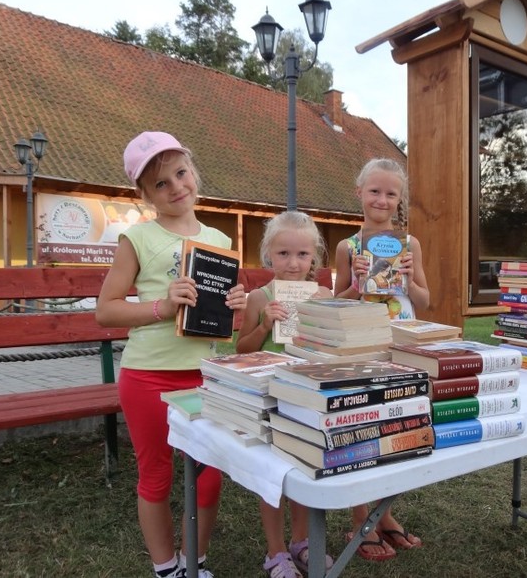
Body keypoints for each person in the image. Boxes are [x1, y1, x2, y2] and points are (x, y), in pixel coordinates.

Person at [96, 131, 246, 578]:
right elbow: (106, 310)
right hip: (148, 378)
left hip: (207, 375)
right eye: (161, 183)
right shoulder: (138, 238)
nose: (176, 187)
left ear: (194, 172)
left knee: (209, 476)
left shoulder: (219, 238)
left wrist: (235, 302)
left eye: (181, 173)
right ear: (144, 194)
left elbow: (219, 312)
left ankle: (194, 563)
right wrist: (164, 306)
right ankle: (166, 569)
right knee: (157, 477)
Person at [334, 158, 430, 561]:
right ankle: (360, 519)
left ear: (400, 199)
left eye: (391, 193)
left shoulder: (411, 245)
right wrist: (357, 283)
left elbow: (425, 301)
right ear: (359, 193)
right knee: (365, 429)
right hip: (362, 345)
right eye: (375, 191)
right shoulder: (347, 247)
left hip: (401, 345)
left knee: (396, 429)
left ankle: (383, 516)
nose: (382, 199)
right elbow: (334, 303)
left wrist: (408, 277)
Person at [236, 211, 334, 578]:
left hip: (308, 394)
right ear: (268, 255)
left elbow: (333, 344)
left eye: (303, 255)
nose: (293, 264)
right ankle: (275, 550)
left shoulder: (323, 294)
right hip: (270, 395)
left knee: (305, 466)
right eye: (284, 254)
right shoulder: (259, 297)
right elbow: (242, 350)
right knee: (272, 472)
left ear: (314, 258)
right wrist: (264, 324)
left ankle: (302, 541)